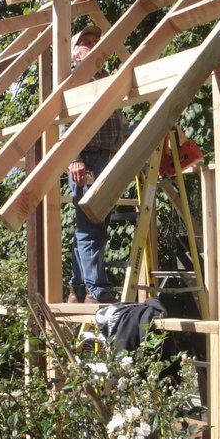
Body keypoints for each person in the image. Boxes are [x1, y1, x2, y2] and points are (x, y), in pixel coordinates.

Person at [66, 25, 126, 304]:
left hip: (103, 157)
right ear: (76, 53)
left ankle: (78, 288)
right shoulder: (74, 79)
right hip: (86, 158)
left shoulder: (105, 78)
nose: (91, 45)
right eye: (85, 42)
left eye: (95, 41)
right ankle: (96, 291)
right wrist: (74, 157)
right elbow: (64, 121)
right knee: (92, 224)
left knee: (91, 223)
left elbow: (116, 122)